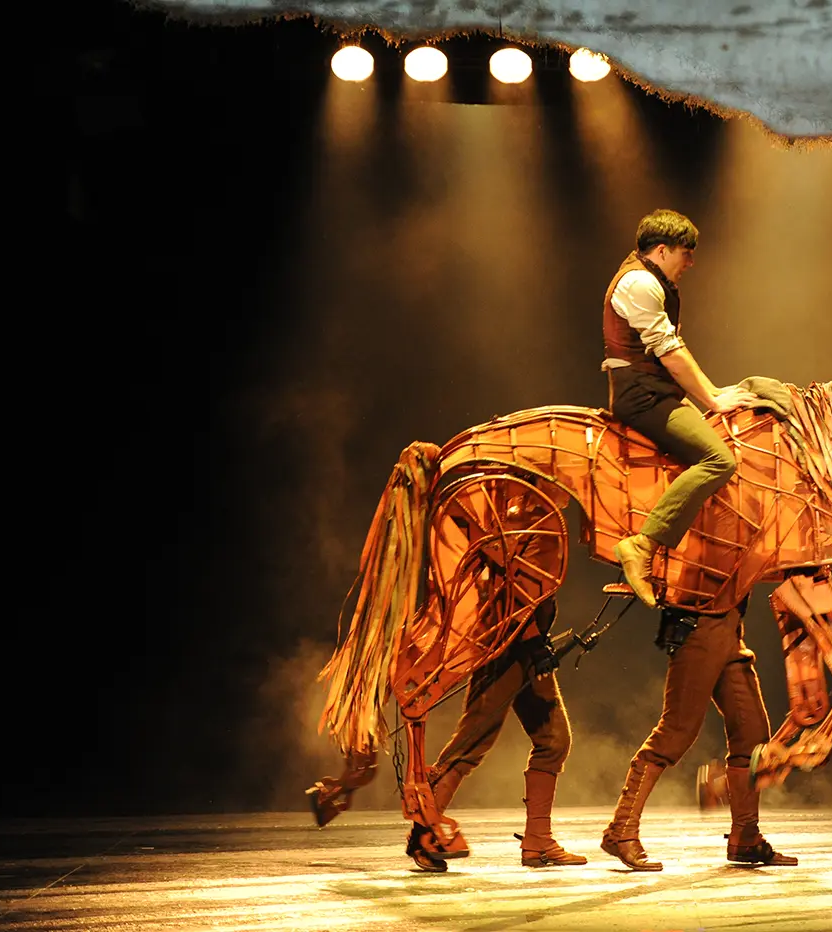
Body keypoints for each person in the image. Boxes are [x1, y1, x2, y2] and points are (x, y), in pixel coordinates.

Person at [308, 598, 587, 872]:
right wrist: (532, 640)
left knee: (554, 741)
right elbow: (511, 588)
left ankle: (538, 841)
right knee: (471, 743)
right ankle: (425, 834)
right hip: (506, 645)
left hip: (527, 645)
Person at [602, 209, 756, 608]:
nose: (690, 262)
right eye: (686, 253)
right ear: (662, 249)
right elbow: (670, 353)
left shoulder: (656, 282)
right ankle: (643, 545)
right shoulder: (638, 283)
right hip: (641, 396)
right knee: (719, 460)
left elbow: (677, 353)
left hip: (658, 391)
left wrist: (713, 393)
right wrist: (712, 400)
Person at [600, 598, 798, 870]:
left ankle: (746, 836)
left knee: (752, 736)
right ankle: (621, 830)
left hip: (730, 631)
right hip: (698, 628)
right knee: (676, 731)